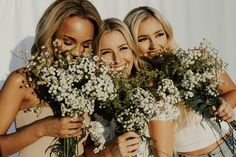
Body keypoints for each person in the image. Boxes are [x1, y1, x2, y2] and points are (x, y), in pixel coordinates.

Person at [124, 6, 236, 156]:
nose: (154, 45)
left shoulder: (196, 60)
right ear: (131, 44)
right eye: (143, 39)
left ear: (168, 34)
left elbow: (232, 91)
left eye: (159, 35)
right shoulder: (137, 88)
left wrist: (224, 106)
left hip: (228, 146)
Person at [0, 0, 102, 156]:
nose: (77, 52)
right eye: (68, 42)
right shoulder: (22, 81)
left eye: (86, 45)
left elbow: (85, 148)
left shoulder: (88, 83)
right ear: (50, 35)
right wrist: (42, 128)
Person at [84, 18, 179, 157]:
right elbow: (86, 152)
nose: (117, 59)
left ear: (133, 50)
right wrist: (108, 151)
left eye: (123, 48)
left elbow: (163, 155)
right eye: (106, 52)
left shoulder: (153, 95)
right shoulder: (92, 98)